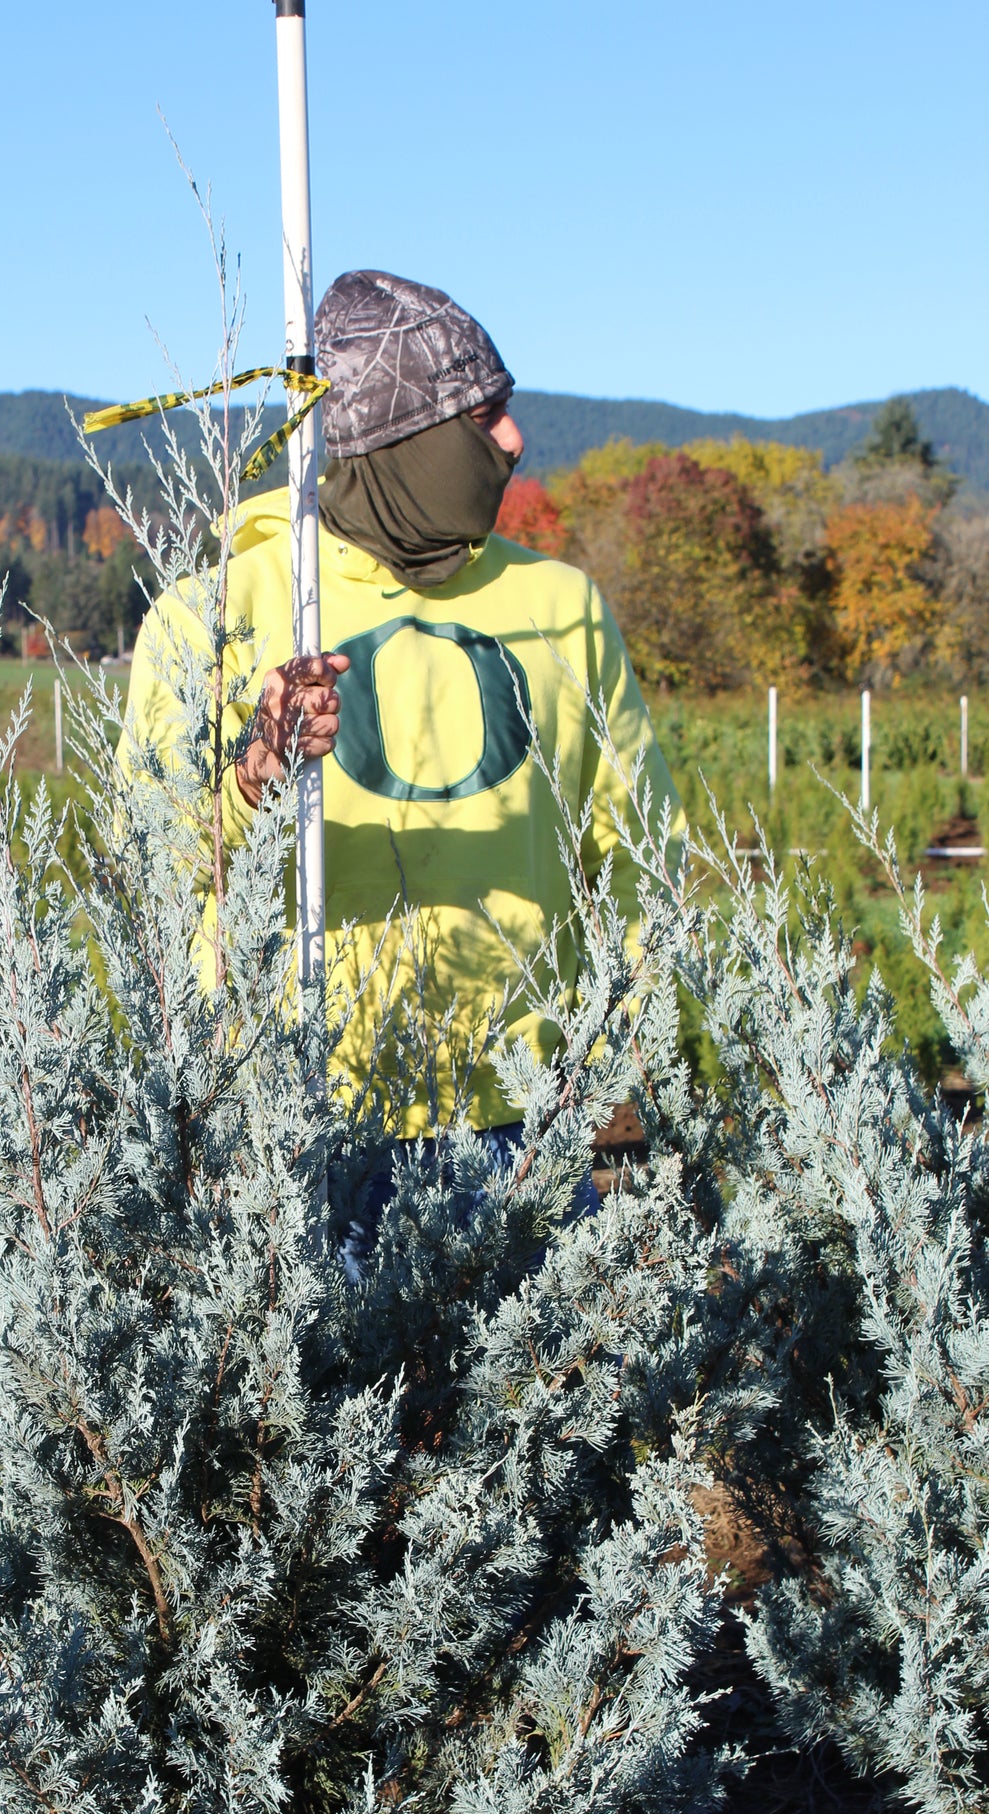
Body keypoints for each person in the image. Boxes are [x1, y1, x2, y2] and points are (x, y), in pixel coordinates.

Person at [123, 267, 682, 1154]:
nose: (515, 439)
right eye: (479, 414)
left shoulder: (564, 607)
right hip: (287, 1127)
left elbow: (639, 852)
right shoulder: (217, 612)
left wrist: (623, 1058)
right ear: (403, 441)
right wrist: (252, 779)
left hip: (522, 1122)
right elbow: (147, 873)